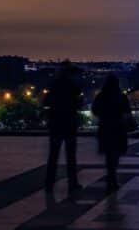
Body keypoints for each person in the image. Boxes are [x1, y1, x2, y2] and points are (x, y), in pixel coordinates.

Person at [44, 63, 82, 192]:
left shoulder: (54, 85)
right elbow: (79, 103)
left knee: (53, 156)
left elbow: (46, 102)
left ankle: (49, 183)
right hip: (69, 124)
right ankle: (72, 183)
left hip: (56, 124)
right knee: (71, 157)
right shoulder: (73, 86)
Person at [91, 74, 132, 192]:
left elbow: (95, 110)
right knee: (115, 155)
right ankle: (112, 178)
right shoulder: (121, 96)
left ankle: (110, 178)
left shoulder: (101, 96)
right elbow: (127, 112)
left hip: (105, 127)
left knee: (109, 155)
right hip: (118, 129)